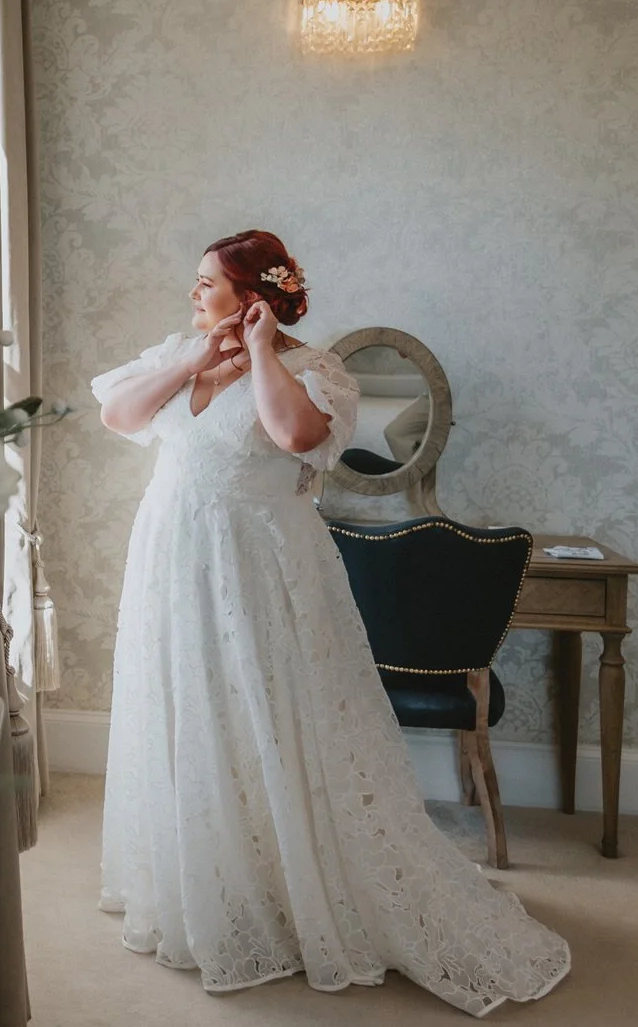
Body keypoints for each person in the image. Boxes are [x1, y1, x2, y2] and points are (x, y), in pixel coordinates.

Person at [88, 229, 569, 1018]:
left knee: (273, 716)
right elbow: (117, 414)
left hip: (260, 564)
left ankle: (298, 887)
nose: (192, 292)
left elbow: (296, 437)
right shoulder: (179, 351)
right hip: (172, 559)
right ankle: (215, 884)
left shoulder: (317, 372)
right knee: (194, 709)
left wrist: (264, 350)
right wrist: (193, 360)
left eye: (205, 281)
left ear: (251, 294)